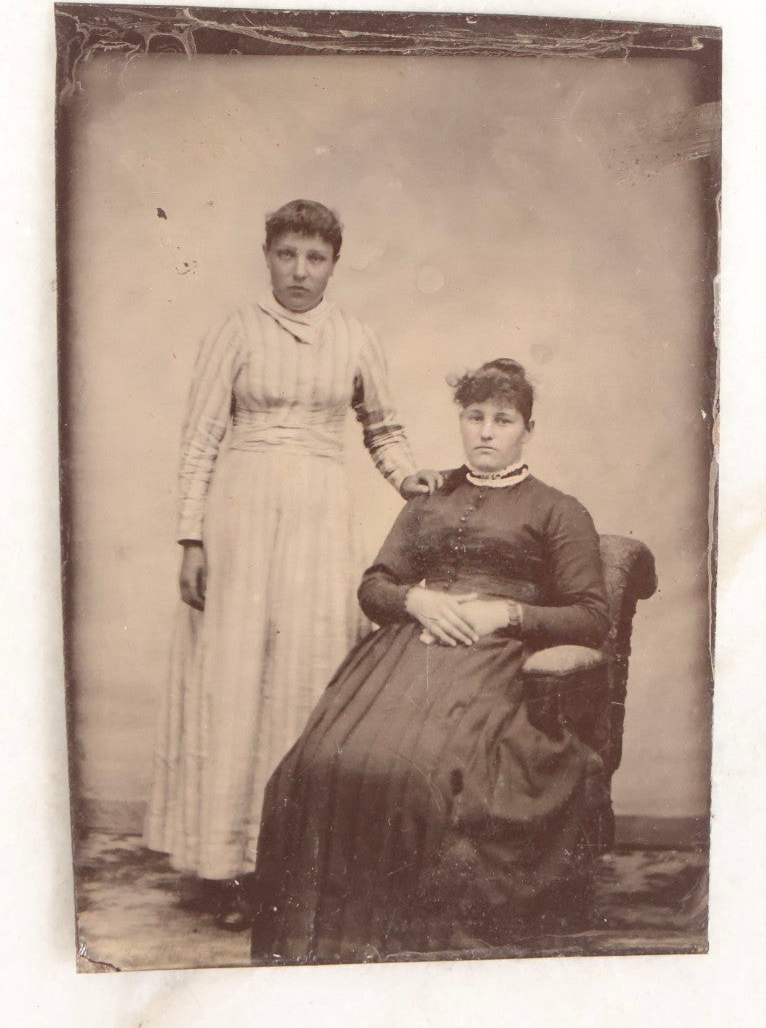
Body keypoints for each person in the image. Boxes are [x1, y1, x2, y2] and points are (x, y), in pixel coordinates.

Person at [250, 358, 611, 962]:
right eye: (475, 417)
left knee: (419, 778)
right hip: (401, 653)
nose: (487, 432)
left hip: (494, 661)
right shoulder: (428, 495)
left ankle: (403, 952)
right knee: (310, 768)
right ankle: (320, 946)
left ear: (528, 429)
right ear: (461, 421)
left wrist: (509, 616)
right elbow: (375, 586)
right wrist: (414, 598)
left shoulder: (558, 510)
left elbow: (592, 616)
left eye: (503, 419)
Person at [145, 200, 440, 929]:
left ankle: (292, 858)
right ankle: (226, 864)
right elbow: (199, 438)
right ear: (267, 256)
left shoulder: (354, 337)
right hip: (240, 515)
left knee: (308, 674)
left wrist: (408, 479)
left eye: (315, 257)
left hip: (318, 520)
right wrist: (191, 539)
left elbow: (384, 429)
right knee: (237, 673)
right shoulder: (236, 330)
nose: (300, 270)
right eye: (287, 254)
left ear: (334, 263)